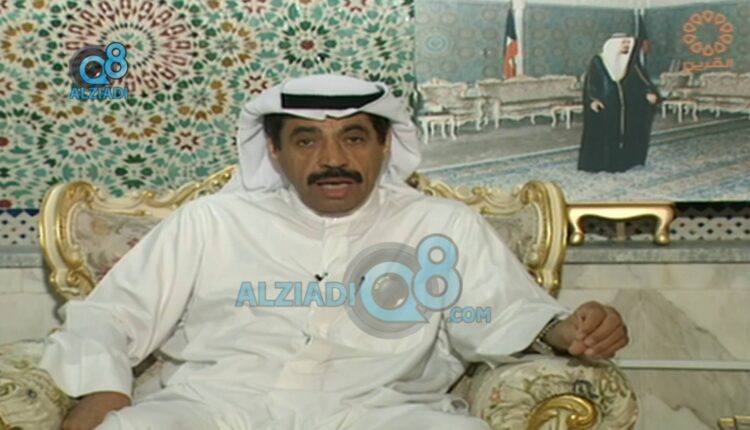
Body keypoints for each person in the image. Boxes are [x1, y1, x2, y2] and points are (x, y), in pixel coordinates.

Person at [39, 74, 629, 430]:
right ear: (274, 152)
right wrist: (107, 389)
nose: (332, 160)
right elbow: (111, 314)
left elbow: (498, 311)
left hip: (376, 412)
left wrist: (566, 330)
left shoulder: (441, 225)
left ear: (384, 145)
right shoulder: (212, 221)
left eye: (353, 137)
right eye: (306, 140)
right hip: (217, 409)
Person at [578, 34, 660, 173]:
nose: (627, 46)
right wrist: (593, 99)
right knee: (606, 134)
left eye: (628, 43)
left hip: (627, 106)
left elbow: (641, 81)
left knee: (628, 131)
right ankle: (602, 164)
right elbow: (591, 84)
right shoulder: (598, 61)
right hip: (606, 105)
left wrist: (648, 92)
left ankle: (626, 161)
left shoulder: (630, 63)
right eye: (624, 43)